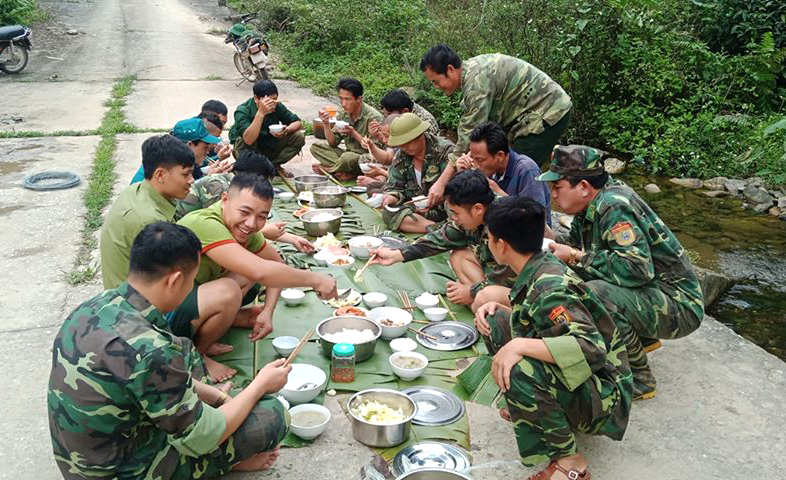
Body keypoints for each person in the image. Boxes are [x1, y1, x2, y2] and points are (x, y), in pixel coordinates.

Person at [49, 222, 291, 479]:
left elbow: (141, 378)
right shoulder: (151, 350)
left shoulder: (94, 307)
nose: (191, 289)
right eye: (192, 281)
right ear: (175, 280)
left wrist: (218, 398)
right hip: (123, 471)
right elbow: (203, 437)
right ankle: (224, 462)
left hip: (82, 462)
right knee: (272, 415)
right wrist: (260, 385)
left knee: (188, 355)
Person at [474, 196, 632, 480]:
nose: (487, 243)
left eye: (488, 237)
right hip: (586, 377)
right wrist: (502, 311)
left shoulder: (550, 286)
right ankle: (533, 412)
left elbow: (589, 349)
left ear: (501, 244)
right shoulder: (537, 264)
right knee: (496, 321)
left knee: (520, 365)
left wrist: (518, 344)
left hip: (605, 396)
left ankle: (572, 463)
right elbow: (539, 318)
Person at [540, 144, 705, 400]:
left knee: (597, 294)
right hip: (653, 291)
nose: (552, 194)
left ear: (583, 187)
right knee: (573, 277)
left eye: (557, 187)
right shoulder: (591, 204)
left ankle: (638, 380)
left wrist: (574, 256)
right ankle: (641, 339)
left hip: (680, 305)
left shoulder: (613, 206)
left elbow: (636, 269)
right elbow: (576, 249)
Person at [101, 134, 249, 382]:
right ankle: (195, 355)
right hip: (137, 314)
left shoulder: (142, 192)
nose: (192, 181)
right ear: (160, 175)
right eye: (186, 174)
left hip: (139, 293)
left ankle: (204, 332)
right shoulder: (147, 219)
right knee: (229, 289)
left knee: (236, 270)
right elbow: (163, 288)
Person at [176, 173, 338, 374]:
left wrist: (267, 312)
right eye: (245, 212)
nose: (252, 224)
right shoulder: (204, 223)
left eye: (262, 216)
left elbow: (275, 264)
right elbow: (261, 271)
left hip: (191, 297)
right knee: (229, 288)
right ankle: (197, 356)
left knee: (245, 275)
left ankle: (221, 323)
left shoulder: (243, 230)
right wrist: (316, 280)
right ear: (225, 200)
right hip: (162, 316)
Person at [419, 44, 573, 212]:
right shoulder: (471, 73)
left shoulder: (477, 81)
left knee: (514, 170)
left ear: (450, 69)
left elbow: (468, 135)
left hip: (548, 112)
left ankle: (527, 221)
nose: (436, 87)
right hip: (527, 116)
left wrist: (442, 183)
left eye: (436, 81)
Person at [372, 170, 515, 309]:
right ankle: (481, 303)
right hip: (496, 278)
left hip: (521, 291)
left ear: (477, 209)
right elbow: (440, 239)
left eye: (456, 213)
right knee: (459, 256)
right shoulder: (479, 211)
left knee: (485, 296)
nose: (453, 218)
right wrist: (396, 255)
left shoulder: (506, 224)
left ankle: (487, 306)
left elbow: (506, 276)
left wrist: (471, 291)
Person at [175, 150, 314, 253]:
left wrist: (293, 239)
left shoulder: (232, 185)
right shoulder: (218, 184)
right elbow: (229, 226)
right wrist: (268, 231)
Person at [459, 121, 551, 217]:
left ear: (500, 156)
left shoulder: (526, 170)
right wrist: (462, 174)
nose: (476, 165)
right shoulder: (492, 169)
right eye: (472, 158)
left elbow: (537, 218)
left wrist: (498, 193)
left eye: (480, 160)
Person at [380, 113, 451, 233]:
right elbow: (394, 186)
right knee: (389, 212)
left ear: (419, 136)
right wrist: (392, 197)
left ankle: (446, 229)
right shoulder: (401, 156)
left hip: (444, 210)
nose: (403, 147)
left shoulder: (444, 151)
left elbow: (459, 189)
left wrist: (440, 197)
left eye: (407, 142)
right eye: (401, 144)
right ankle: (435, 229)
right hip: (416, 211)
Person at [310, 77, 383, 180]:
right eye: (341, 98)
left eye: (347, 99)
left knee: (347, 157)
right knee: (316, 147)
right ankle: (344, 172)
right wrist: (326, 124)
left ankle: (329, 170)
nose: (343, 104)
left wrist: (353, 133)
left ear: (358, 99)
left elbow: (376, 150)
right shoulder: (343, 114)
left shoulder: (374, 117)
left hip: (366, 159)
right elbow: (333, 143)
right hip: (347, 157)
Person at [229, 79, 305, 171]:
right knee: (241, 141)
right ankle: (249, 168)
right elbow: (248, 140)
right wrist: (261, 113)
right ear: (256, 99)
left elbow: (297, 122)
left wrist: (286, 130)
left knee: (298, 136)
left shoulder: (277, 106)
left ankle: (272, 166)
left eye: (275, 100)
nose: (273, 104)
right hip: (249, 148)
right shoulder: (243, 110)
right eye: (268, 101)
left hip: (269, 144)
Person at [130, 117, 232, 184]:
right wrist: (208, 179)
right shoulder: (170, 168)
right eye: (205, 147)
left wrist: (216, 160)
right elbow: (181, 202)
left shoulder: (171, 155)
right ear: (189, 145)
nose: (208, 152)